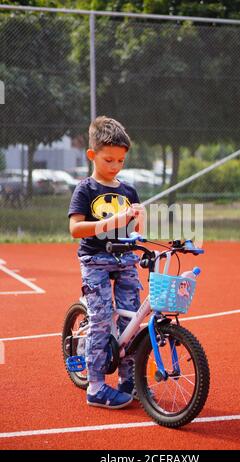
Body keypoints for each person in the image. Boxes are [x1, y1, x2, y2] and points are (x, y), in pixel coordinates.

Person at [68, 116, 144, 409]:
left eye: (121, 161)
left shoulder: (128, 191)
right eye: (109, 159)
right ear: (92, 155)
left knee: (131, 321)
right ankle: (96, 388)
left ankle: (129, 381)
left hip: (124, 259)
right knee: (101, 320)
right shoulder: (86, 189)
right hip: (95, 260)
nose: (115, 166)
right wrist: (111, 222)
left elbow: (135, 229)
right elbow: (75, 229)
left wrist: (139, 221)